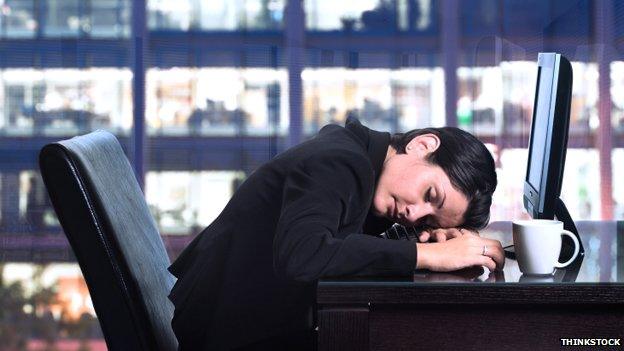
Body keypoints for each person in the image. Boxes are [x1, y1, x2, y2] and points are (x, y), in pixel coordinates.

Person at [167, 117, 504, 350]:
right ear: (421, 145)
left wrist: (421, 243)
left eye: (428, 221)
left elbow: (339, 244)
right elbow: (303, 254)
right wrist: (426, 255)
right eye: (431, 195)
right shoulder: (341, 162)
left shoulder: (362, 162)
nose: (414, 213)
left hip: (247, 324)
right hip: (229, 335)